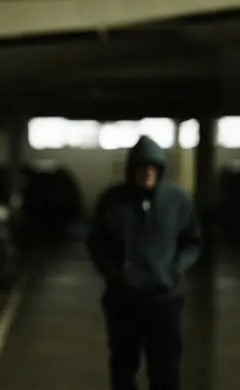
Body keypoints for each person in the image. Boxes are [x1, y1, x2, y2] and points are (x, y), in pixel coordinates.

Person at [87, 135, 202, 390]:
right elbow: (96, 244)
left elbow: (192, 241)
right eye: (142, 167)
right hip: (123, 300)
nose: (148, 173)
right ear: (132, 170)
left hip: (164, 299)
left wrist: (174, 270)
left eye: (153, 168)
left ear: (160, 170)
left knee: (166, 367)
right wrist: (116, 275)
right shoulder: (112, 201)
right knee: (123, 367)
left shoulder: (177, 200)